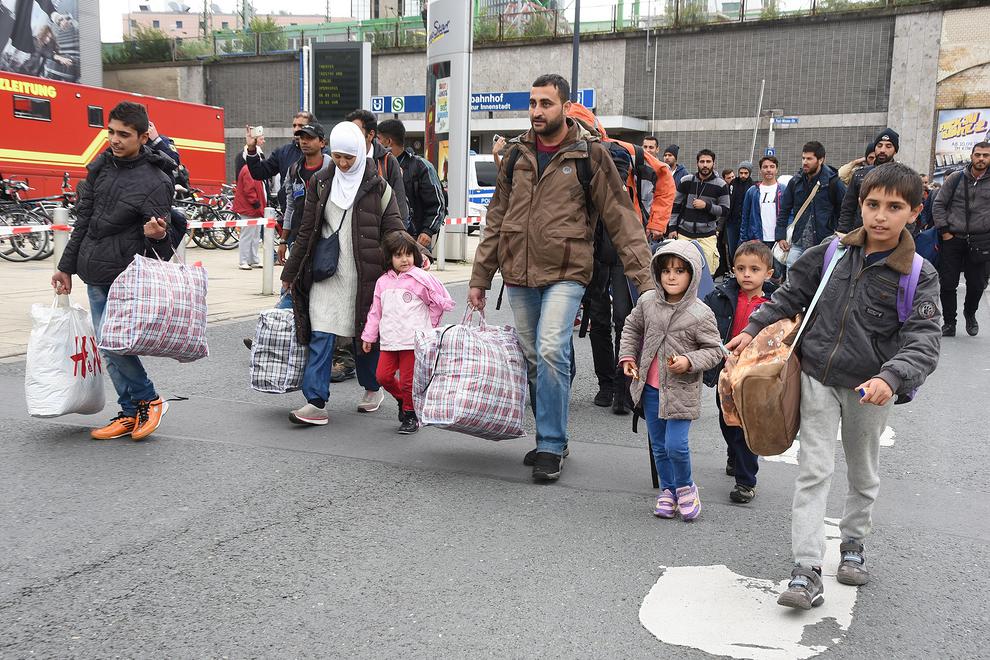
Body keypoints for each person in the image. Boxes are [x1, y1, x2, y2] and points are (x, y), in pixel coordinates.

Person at [726, 162, 942, 610]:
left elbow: (924, 340)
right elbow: (791, 294)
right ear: (860, 205)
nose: (880, 215)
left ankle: (853, 545)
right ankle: (805, 570)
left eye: (894, 207)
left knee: (862, 473)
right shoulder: (832, 251)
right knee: (812, 471)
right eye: (872, 204)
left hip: (870, 388)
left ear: (914, 213)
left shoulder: (919, 274)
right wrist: (754, 328)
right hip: (816, 377)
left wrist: (892, 376)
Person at [468, 73, 654, 482]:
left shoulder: (590, 155)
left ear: (565, 107)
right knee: (535, 358)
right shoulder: (516, 155)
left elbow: (622, 219)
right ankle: (552, 435)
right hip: (518, 271)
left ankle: (551, 443)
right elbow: (496, 217)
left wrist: (646, 283)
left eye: (545, 103)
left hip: (567, 271)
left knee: (552, 348)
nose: (537, 111)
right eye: (533, 103)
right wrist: (481, 276)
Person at [51, 101, 175, 441]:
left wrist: (159, 234)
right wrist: (66, 268)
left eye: (124, 134)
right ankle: (131, 412)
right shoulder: (100, 168)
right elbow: (84, 223)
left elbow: (165, 245)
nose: (115, 140)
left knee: (114, 343)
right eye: (111, 132)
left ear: (142, 136)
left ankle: (150, 399)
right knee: (109, 345)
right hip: (94, 271)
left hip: (126, 276)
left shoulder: (156, 180)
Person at [279, 121, 405, 425]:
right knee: (321, 332)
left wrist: (411, 261)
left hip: (365, 275)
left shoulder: (379, 187)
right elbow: (307, 229)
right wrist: (290, 272)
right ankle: (316, 402)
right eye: (337, 156)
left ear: (361, 153)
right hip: (326, 272)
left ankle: (373, 388)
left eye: (349, 157)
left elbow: (394, 230)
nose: (343, 163)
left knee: (363, 335)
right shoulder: (321, 182)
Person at [565, 103, 676, 414]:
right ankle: (607, 384)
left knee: (626, 318)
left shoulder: (626, 150)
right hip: (590, 243)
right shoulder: (569, 154)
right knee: (597, 317)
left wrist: (656, 223)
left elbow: (664, 176)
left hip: (624, 241)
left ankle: (625, 386)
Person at [618, 241, 723, 520]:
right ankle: (667, 490)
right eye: (665, 271)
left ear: (692, 275)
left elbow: (715, 351)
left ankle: (686, 488)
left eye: (679, 271)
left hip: (681, 390)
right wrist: (628, 357)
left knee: (676, 444)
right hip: (650, 388)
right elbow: (631, 328)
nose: (672, 277)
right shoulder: (647, 302)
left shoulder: (701, 313)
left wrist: (689, 361)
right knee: (659, 446)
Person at [702, 242, 777, 503]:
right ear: (733, 269)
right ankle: (734, 454)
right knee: (727, 420)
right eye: (741, 268)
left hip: (757, 376)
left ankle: (746, 481)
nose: (747, 274)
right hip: (726, 371)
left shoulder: (775, 304)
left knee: (747, 425)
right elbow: (704, 324)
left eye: (754, 269)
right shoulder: (718, 296)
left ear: (768, 273)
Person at [361, 231, 454, 434]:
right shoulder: (382, 282)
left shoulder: (420, 280)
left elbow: (437, 304)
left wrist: (428, 327)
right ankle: (403, 399)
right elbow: (375, 312)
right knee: (382, 377)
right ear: (389, 258)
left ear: (414, 255)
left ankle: (411, 415)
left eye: (408, 254)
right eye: (398, 255)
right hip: (389, 340)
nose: (404, 259)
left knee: (407, 381)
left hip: (412, 342)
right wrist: (369, 336)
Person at [933, 141, 990, 337]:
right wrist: (945, 232)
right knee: (948, 283)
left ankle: (970, 313)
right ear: (972, 156)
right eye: (978, 154)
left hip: (981, 241)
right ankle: (949, 322)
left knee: (977, 284)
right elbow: (938, 204)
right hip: (953, 239)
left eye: (986, 155)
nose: (981, 158)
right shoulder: (956, 178)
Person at [776, 141, 845, 273]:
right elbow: (784, 209)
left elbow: (844, 210)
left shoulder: (833, 182)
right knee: (792, 278)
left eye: (809, 158)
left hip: (822, 242)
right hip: (798, 241)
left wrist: (839, 233)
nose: (805, 162)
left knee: (817, 280)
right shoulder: (796, 181)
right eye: (803, 158)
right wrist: (780, 236)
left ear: (820, 160)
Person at [377, 119, 447, 247]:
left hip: (414, 239)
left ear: (388, 141)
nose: (376, 143)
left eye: (378, 139)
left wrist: (428, 231)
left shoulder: (421, 167)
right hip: (384, 238)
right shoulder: (375, 165)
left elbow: (437, 203)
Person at [244, 111, 323, 214]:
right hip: (290, 216)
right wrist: (251, 149)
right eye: (294, 125)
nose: (296, 129)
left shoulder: (325, 156)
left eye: (301, 126)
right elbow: (259, 173)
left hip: (318, 217)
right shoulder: (283, 152)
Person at [668, 149, 730, 273]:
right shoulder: (686, 181)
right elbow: (675, 206)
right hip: (684, 234)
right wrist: (672, 228)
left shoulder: (721, 185)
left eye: (708, 161)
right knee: (682, 271)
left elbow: (725, 210)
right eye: (702, 161)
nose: (705, 165)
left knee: (707, 273)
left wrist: (707, 206)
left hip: (707, 236)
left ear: (714, 163)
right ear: (697, 163)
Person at [345, 109, 410, 222]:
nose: (351, 136)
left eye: (356, 131)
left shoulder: (387, 161)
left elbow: (399, 205)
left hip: (381, 233)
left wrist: (397, 235)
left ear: (370, 135)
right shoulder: (340, 161)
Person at [837, 129, 898, 234]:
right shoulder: (859, 175)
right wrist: (842, 232)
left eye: (888, 146)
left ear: (895, 150)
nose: (882, 150)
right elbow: (848, 207)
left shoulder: (902, 176)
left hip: (890, 233)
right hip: (860, 232)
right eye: (879, 146)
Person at [740, 155, 783, 250]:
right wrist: (744, 240)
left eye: (772, 167)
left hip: (779, 240)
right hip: (757, 239)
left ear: (777, 170)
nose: (768, 170)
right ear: (760, 170)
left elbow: (790, 214)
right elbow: (745, 217)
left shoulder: (784, 190)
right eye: (765, 167)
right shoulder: (752, 191)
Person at [232, 155, 266, 270]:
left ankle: (253, 259)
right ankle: (244, 260)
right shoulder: (249, 170)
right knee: (248, 235)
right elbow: (249, 189)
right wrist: (255, 202)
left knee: (254, 235)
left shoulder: (249, 169)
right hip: (250, 208)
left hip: (252, 208)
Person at [725, 161, 755, 263]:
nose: (743, 175)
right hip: (732, 221)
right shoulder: (733, 184)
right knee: (732, 248)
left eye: (745, 173)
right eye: (741, 172)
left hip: (746, 222)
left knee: (744, 248)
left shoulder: (752, 186)